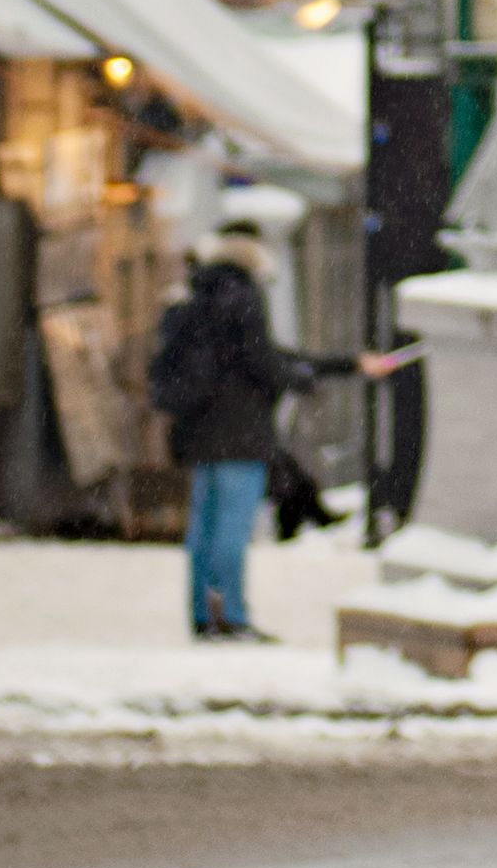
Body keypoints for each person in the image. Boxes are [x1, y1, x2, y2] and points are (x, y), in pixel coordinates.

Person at [146, 234, 353, 643]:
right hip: (240, 431)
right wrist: (301, 381)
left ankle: (204, 614)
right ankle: (232, 616)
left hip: (199, 432)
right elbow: (263, 362)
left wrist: (332, 366)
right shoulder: (243, 298)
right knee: (233, 529)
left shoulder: (195, 299)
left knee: (203, 527)